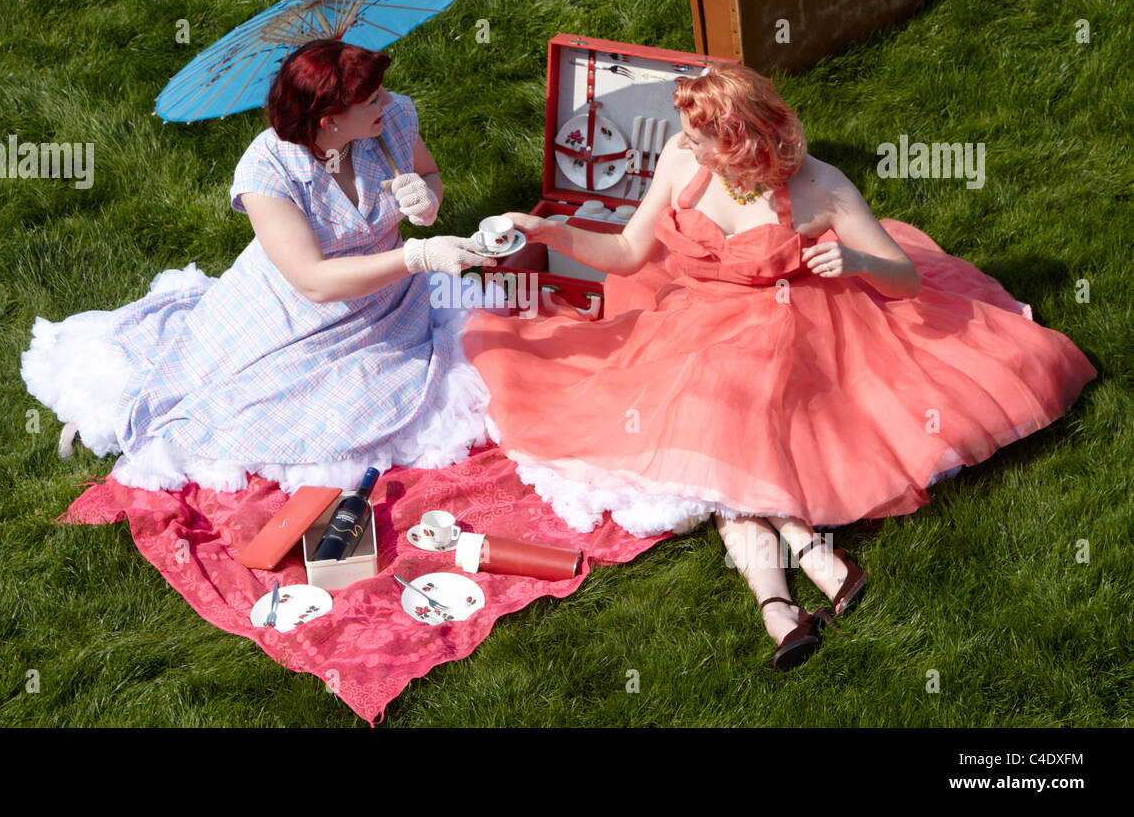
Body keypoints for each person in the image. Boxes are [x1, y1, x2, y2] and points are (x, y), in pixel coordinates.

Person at [460, 61, 1097, 669]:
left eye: (704, 138)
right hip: (700, 318)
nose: (687, 147)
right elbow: (628, 253)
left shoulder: (821, 186)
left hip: (799, 322)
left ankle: (777, 607)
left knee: (724, 427)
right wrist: (544, 233)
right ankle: (814, 559)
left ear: (742, 139)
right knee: (715, 421)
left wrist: (860, 263)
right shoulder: (682, 158)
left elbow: (902, 281)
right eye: (687, 134)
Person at [21, 38, 499, 495]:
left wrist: (427, 202)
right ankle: (116, 423)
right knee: (244, 399)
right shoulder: (267, 171)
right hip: (296, 304)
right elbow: (311, 282)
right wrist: (417, 255)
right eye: (372, 98)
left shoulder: (389, 120)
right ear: (330, 121)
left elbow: (430, 174)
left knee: (371, 394)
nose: (388, 100)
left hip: (389, 301)